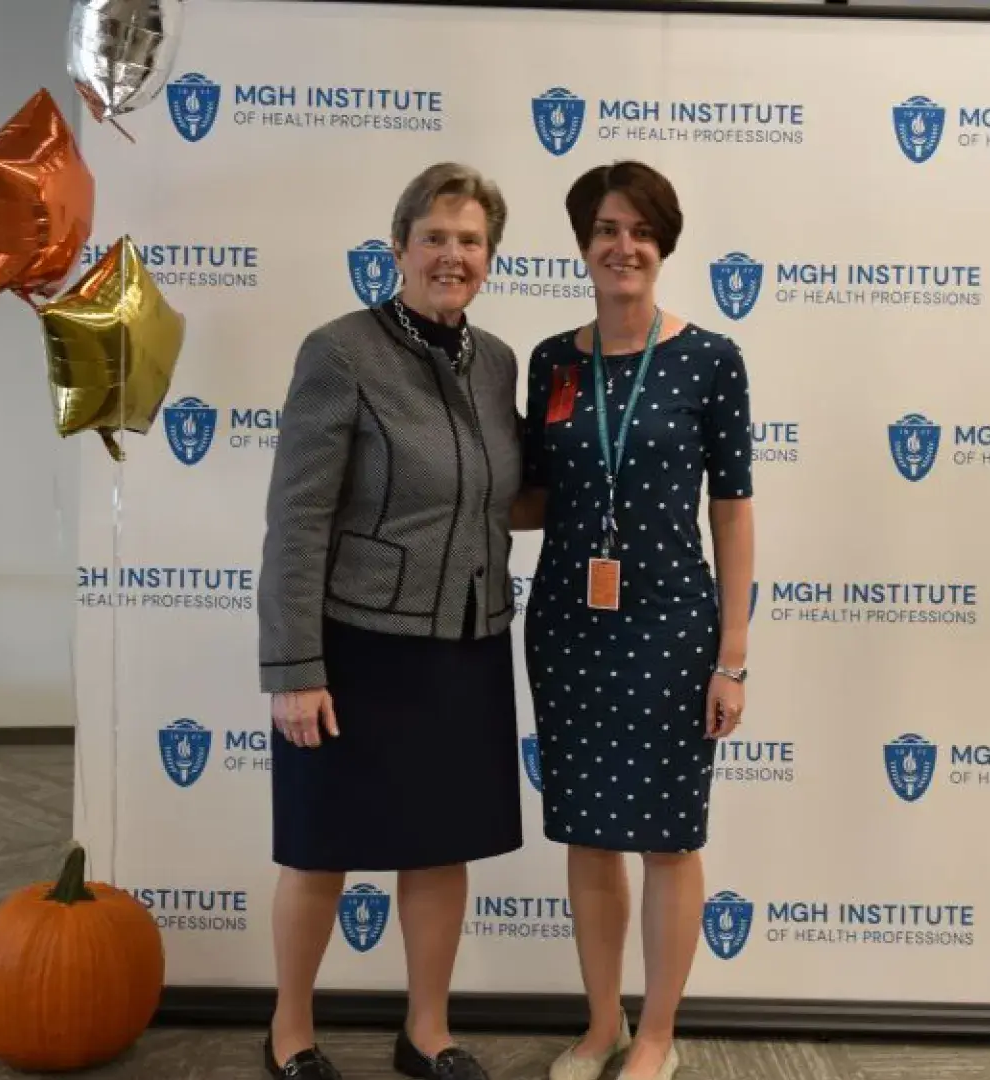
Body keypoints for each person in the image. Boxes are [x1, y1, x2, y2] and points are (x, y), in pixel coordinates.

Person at [257, 161, 523, 1080]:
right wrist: (295, 668)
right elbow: (296, 517)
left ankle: (427, 1033)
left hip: (468, 641)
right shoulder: (338, 351)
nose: (454, 256)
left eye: (472, 241)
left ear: (491, 258)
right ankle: (290, 1032)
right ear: (399, 247)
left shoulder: (496, 361)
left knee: (440, 849)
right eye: (437, 238)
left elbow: (501, 493)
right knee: (320, 851)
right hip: (355, 646)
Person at [513, 160, 757, 1080]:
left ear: (664, 244)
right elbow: (536, 496)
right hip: (570, 623)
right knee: (588, 833)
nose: (625, 246)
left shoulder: (711, 359)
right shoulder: (553, 362)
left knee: (667, 835)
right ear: (583, 244)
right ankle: (601, 1023)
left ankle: (657, 1033)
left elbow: (732, 512)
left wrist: (732, 656)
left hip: (671, 625)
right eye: (608, 229)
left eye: (642, 231)